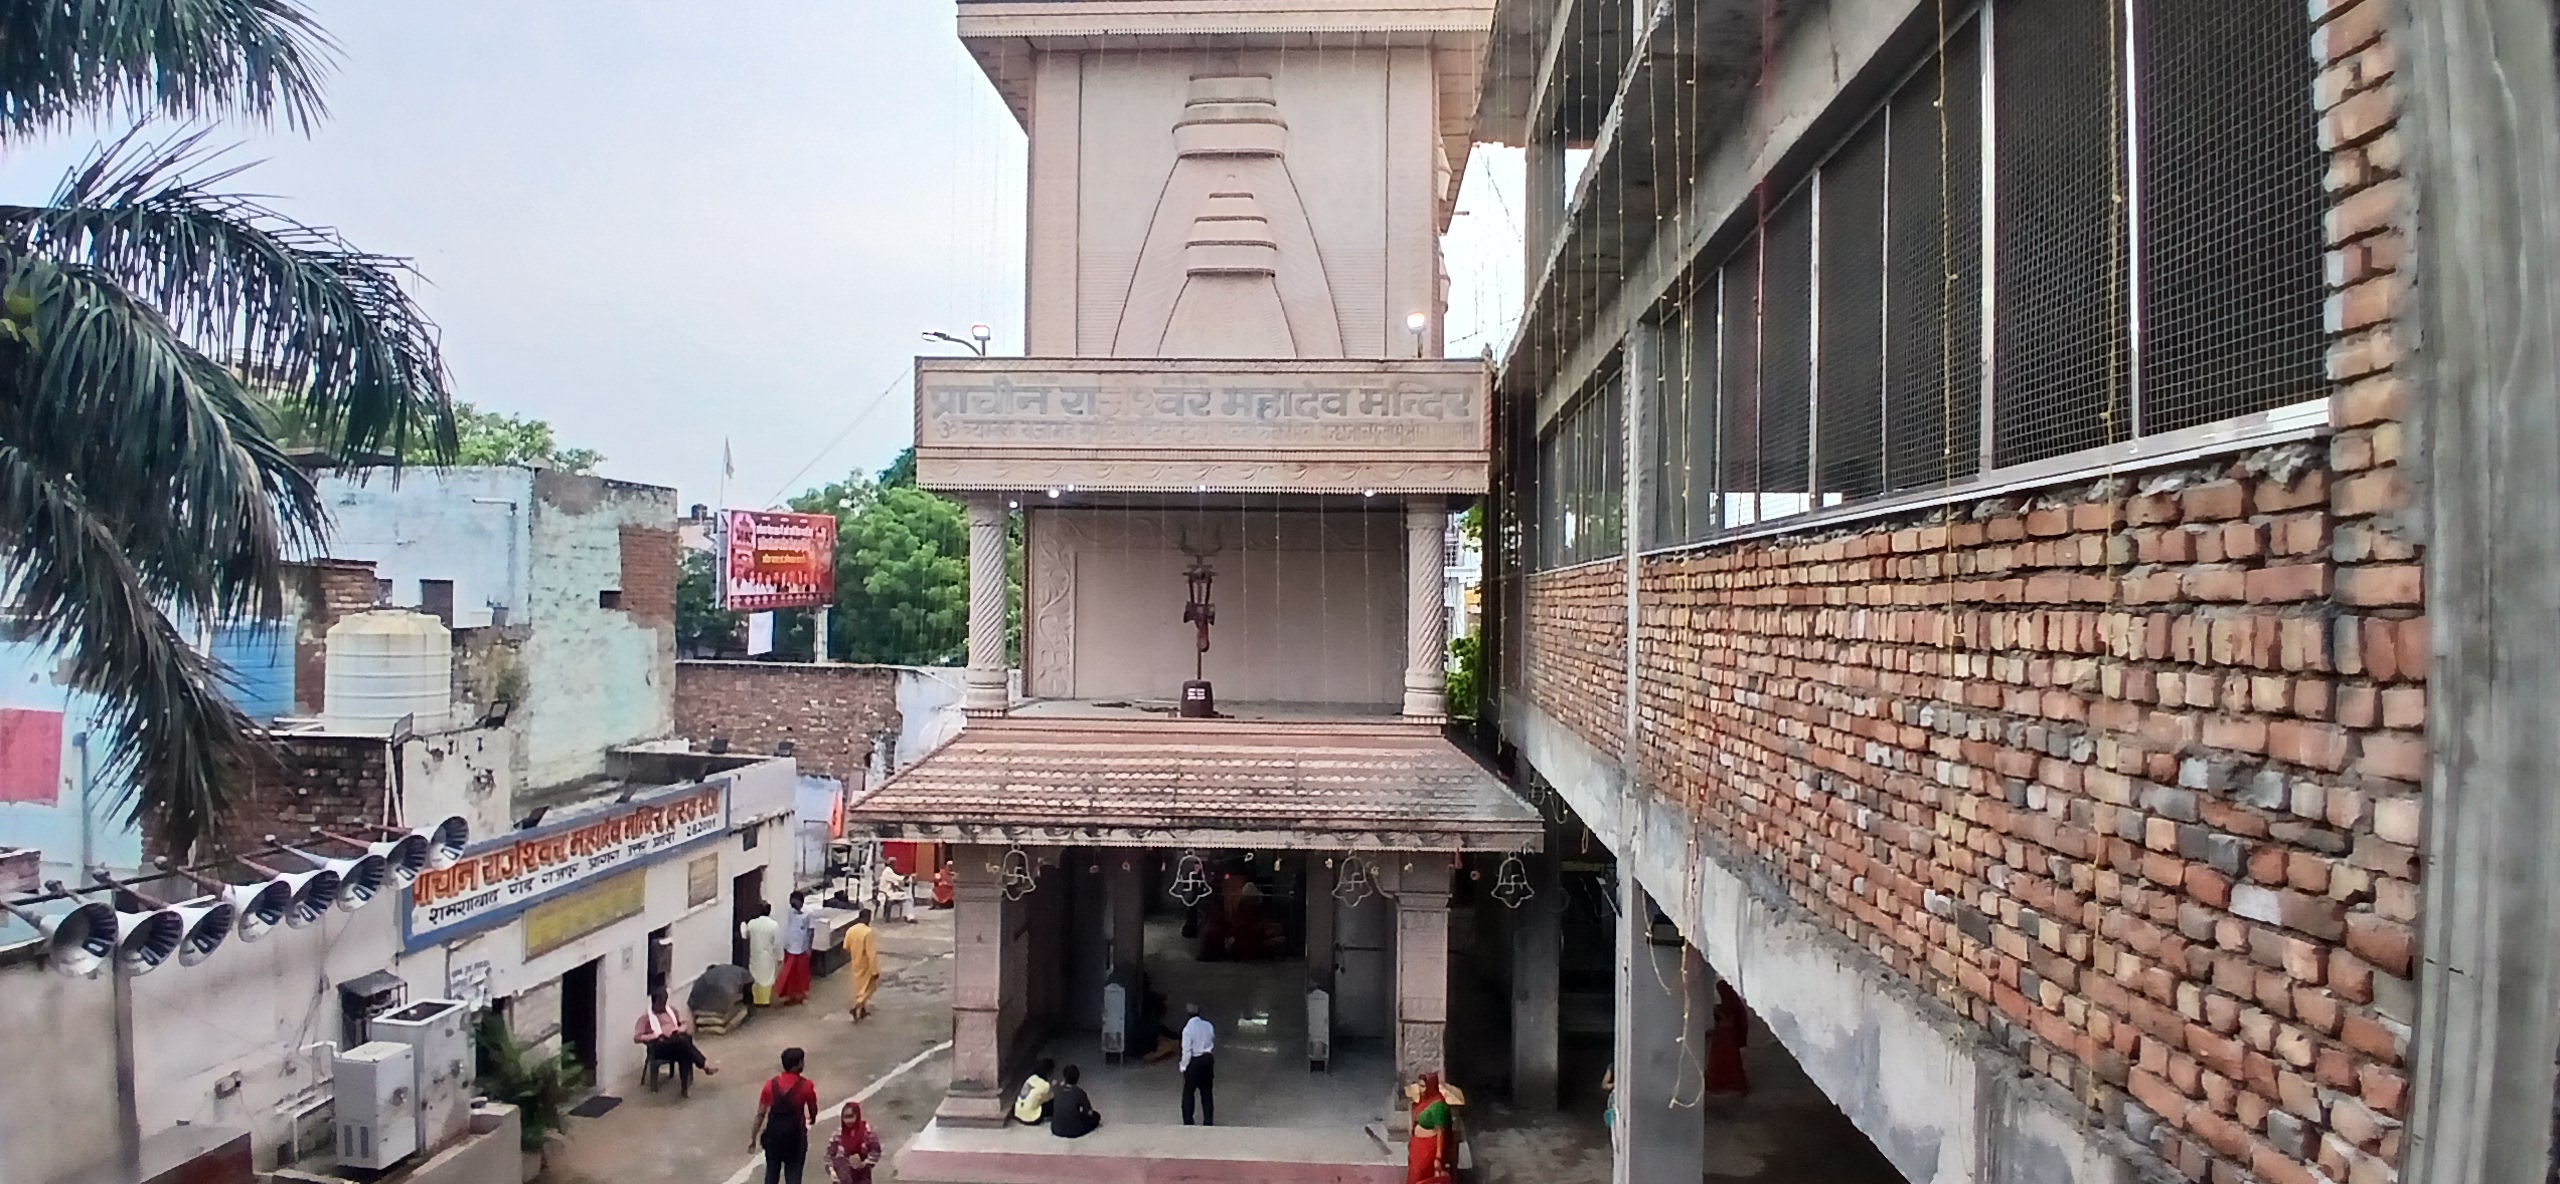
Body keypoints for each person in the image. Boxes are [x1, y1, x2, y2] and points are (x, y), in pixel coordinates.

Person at [750, 1047, 820, 1184]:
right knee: (794, 1174)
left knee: (771, 1174)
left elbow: (760, 1114)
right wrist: (813, 1118)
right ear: (798, 1064)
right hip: (796, 1137)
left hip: (773, 1137)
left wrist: (753, 1137)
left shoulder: (770, 1085)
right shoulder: (806, 1086)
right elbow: (813, 1108)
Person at [632, 986, 718, 1097]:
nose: (663, 1005)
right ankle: (703, 1065)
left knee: (684, 1048)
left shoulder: (671, 1011)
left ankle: (684, 1087)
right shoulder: (646, 1018)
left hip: (675, 1042)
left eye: (665, 1001)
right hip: (659, 1046)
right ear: (654, 1002)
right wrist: (653, 1036)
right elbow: (637, 1037)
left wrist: (679, 1029)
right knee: (685, 1043)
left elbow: (683, 1023)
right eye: (661, 1002)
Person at [1406, 1071, 1457, 1184]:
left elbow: (1441, 1133)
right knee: (1414, 1175)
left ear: (1431, 1086)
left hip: (1429, 1147)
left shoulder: (1439, 1106)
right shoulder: (1424, 1101)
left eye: (1424, 1086)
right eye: (1420, 1086)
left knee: (1420, 1175)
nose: (1421, 1089)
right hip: (1419, 1145)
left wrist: (1438, 1158)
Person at [1704, 981, 1751, 1095]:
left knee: (1726, 1061)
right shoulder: (1730, 1004)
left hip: (1726, 1038)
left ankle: (1724, 1083)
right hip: (1724, 1038)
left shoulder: (1731, 1005)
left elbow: (1736, 1021)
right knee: (1724, 1060)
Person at [824, 1099, 883, 1184]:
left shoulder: (867, 1133)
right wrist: (832, 1171)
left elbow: (876, 1151)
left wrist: (865, 1163)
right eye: (845, 1117)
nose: (848, 1121)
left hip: (862, 1179)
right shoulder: (838, 1135)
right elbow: (828, 1156)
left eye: (851, 1116)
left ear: (857, 1116)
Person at [1177, 1002, 1216, 1126]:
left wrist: (1183, 1066)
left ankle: (1188, 1120)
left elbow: (1187, 1050)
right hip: (1208, 1060)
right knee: (1207, 1092)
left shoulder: (1188, 1029)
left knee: (1189, 1092)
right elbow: (1212, 1038)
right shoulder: (1208, 1025)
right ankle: (1208, 1120)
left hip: (1195, 1061)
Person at [776, 891, 816, 1005]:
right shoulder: (790, 911)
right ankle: (790, 995)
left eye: (794, 902)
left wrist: (809, 947)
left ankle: (803, 995)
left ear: (801, 902)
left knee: (802, 973)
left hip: (802, 947)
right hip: (790, 946)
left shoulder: (809, 913)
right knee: (789, 973)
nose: (792, 905)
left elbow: (811, 931)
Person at [842, 907, 880, 1021]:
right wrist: (875, 970)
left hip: (855, 961)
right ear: (868, 918)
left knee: (859, 987)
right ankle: (857, 1006)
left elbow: (846, 947)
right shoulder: (868, 932)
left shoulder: (851, 930)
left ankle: (862, 1010)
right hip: (866, 964)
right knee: (869, 987)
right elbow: (871, 953)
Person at [742, 901, 783, 1007]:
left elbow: (745, 935)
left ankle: (756, 999)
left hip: (755, 953)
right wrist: (780, 957)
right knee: (767, 977)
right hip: (767, 955)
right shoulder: (773, 925)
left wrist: (743, 924)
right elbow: (777, 942)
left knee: (756, 975)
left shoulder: (752, 924)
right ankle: (765, 1000)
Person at [1049, 1063, 1100, 1138]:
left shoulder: (1057, 1088)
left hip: (1056, 1129)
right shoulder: (1079, 1092)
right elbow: (1089, 1113)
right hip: (1074, 1130)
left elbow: (1054, 1083)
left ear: (1064, 1077)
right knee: (1096, 1116)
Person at [1014, 1057, 1055, 1125]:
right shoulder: (1045, 1085)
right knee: (1052, 1103)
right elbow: (1049, 1097)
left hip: (1018, 1113)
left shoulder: (1031, 1078)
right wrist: (1055, 1087)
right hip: (1032, 1119)